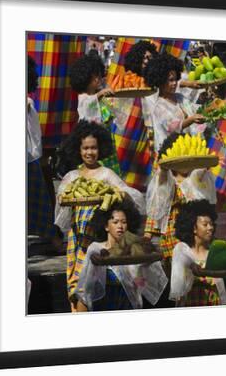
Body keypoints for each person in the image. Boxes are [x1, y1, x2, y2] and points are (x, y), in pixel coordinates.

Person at [54, 120, 146, 310]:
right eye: (85, 148)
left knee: (94, 288)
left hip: (100, 239)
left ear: (100, 148)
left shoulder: (106, 174)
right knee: (76, 288)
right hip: (78, 239)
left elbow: (130, 195)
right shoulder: (71, 177)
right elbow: (62, 208)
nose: (89, 152)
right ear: (78, 150)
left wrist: (119, 194)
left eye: (93, 148)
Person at [72, 201, 167, 312]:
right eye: (115, 222)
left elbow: (147, 277)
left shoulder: (134, 250)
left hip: (128, 305)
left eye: (124, 222)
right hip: (103, 307)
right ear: (106, 226)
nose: (120, 226)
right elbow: (85, 290)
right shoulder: (95, 249)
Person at [169, 200, 226, 307]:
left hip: (216, 303)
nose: (210, 228)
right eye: (205, 224)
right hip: (191, 303)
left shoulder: (215, 250)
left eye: (211, 224)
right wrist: (192, 267)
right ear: (193, 228)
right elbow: (182, 262)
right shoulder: (182, 249)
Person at [145, 133, 217, 260]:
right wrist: (147, 237)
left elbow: (208, 206)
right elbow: (157, 206)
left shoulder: (197, 178)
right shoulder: (167, 180)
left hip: (195, 233)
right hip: (172, 234)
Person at [26, 56, 64, 253]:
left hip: (29, 158)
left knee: (39, 203)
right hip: (28, 158)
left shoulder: (28, 104)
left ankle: (53, 239)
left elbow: (34, 135)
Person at [144, 53, 206, 154]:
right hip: (170, 153)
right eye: (170, 80)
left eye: (176, 79)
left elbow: (196, 110)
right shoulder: (159, 106)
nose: (174, 83)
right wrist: (191, 119)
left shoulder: (180, 97)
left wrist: (212, 107)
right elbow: (173, 128)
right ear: (160, 81)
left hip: (188, 149)